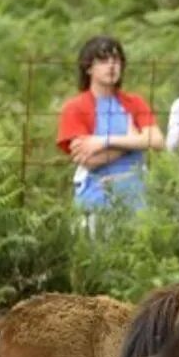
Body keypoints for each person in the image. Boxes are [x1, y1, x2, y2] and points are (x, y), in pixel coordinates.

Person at [56, 36, 165, 231]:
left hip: (137, 198)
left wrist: (104, 141)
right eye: (104, 61)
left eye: (116, 60)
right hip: (95, 200)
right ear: (88, 67)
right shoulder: (75, 108)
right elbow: (89, 159)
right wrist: (134, 141)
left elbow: (157, 141)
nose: (112, 66)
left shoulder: (134, 102)